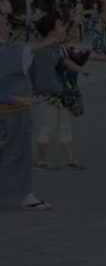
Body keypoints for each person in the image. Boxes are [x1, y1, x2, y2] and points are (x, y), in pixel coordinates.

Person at [0, 12, 50, 210]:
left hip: (17, 110)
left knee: (20, 152)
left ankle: (24, 192)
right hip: (9, 109)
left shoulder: (8, 46)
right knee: (14, 151)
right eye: (1, 20)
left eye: (4, 19)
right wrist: (18, 98)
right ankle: (23, 192)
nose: (5, 22)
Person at [29, 14, 87, 171]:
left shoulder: (54, 47)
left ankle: (70, 159)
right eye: (60, 26)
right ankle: (41, 160)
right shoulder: (44, 50)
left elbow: (65, 55)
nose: (63, 29)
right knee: (48, 126)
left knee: (65, 125)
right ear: (51, 30)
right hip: (50, 93)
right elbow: (43, 75)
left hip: (59, 91)